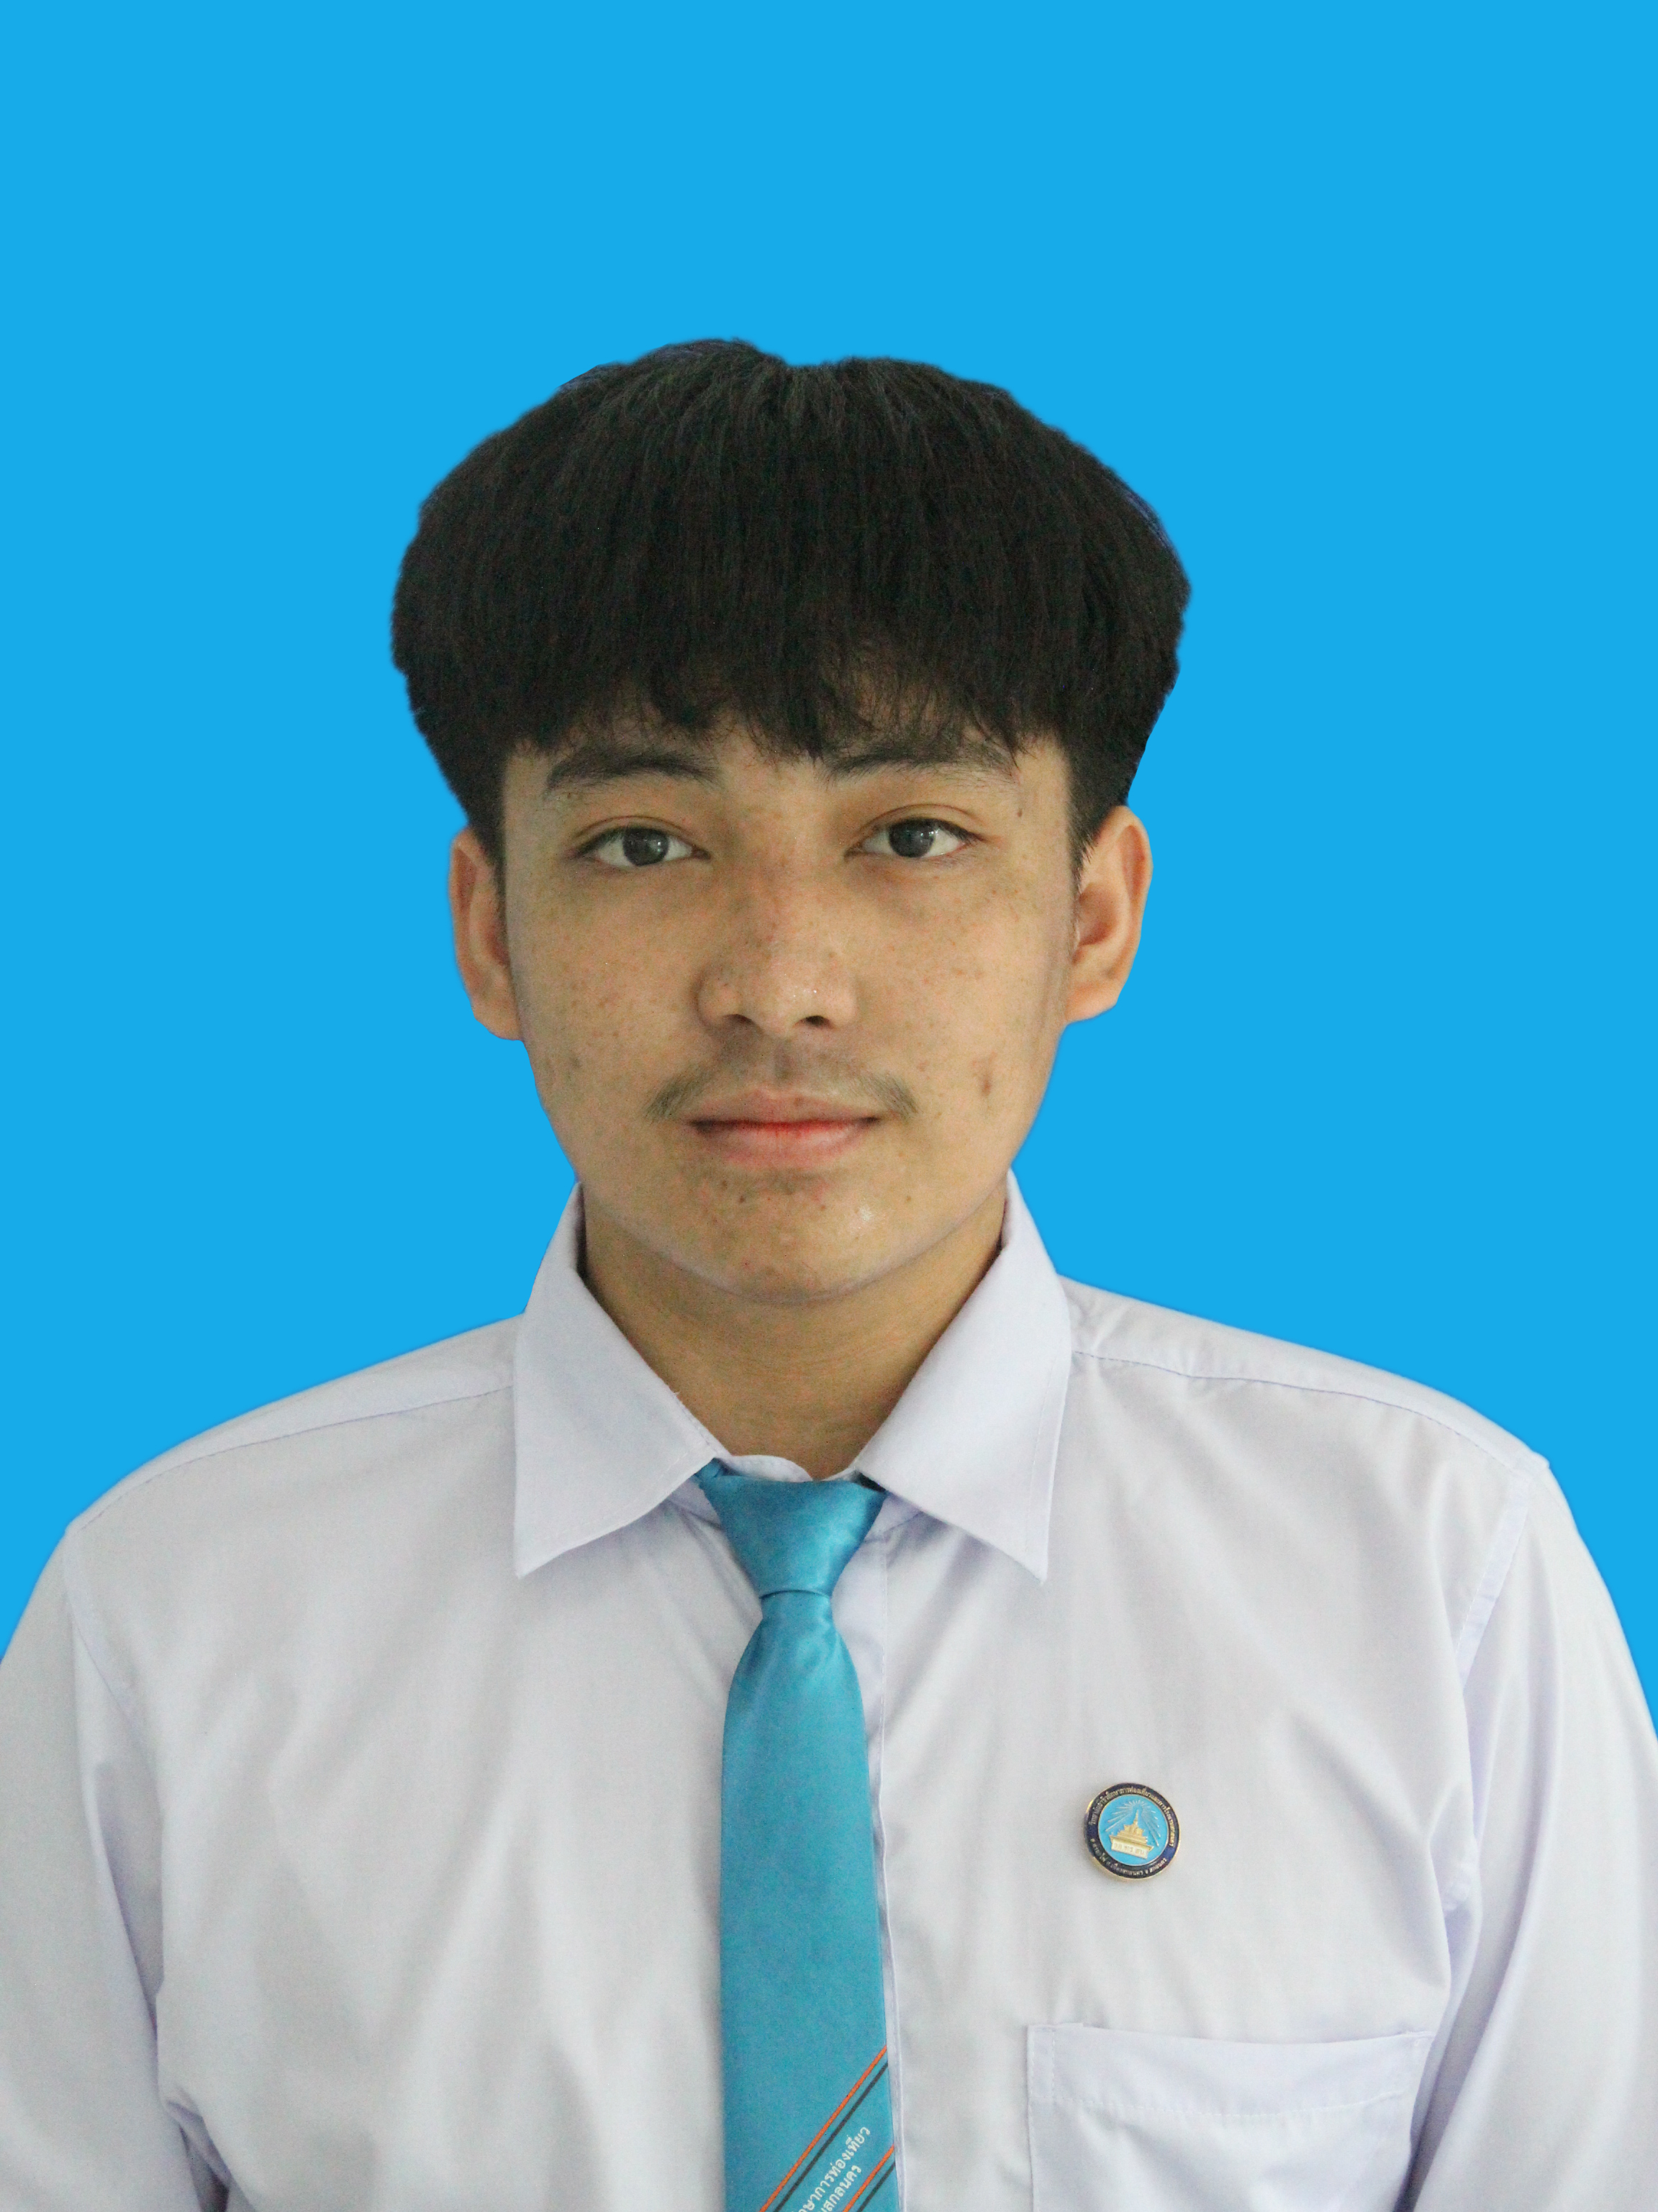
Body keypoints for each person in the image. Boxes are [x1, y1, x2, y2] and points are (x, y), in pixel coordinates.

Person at [0, 340, 1652, 2212]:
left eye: (913, 836)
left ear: (1094, 913)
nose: (779, 982)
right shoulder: (174, 1624)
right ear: (490, 929)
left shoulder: (1434, 1576)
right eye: (643, 841)